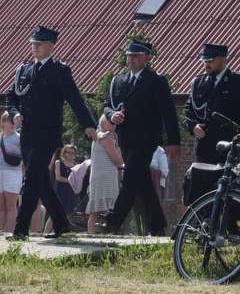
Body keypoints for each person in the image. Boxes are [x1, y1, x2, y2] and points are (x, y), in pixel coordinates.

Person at [5, 25, 97, 240]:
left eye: (39, 44)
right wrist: (14, 113)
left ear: (50, 46)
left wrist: (88, 124)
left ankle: (20, 229)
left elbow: (75, 98)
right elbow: (11, 97)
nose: (34, 48)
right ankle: (62, 224)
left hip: (46, 135)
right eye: (33, 44)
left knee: (30, 180)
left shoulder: (59, 70)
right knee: (42, 182)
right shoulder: (24, 70)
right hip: (28, 134)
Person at [101, 38, 181, 236]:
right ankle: (158, 227)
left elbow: (169, 113)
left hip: (146, 140)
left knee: (129, 179)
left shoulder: (155, 81)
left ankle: (113, 221)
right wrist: (113, 115)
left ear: (146, 58)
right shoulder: (118, 81)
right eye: (129, 56)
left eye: (136, 56)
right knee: (143, 182)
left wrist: (174, 141)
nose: (131, 59)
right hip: (126, 139)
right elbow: (107, 105)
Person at [182, 43, 240, 202]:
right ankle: (205, 225)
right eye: (205, 61)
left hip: (230, 150)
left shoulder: (236, 82)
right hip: (205, 149)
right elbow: (188, 112)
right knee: (202, 196)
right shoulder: (199, 82)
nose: (207, 64)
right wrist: (193, 126)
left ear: (224, 59)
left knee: (229, 198)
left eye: (211, 61)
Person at [87, 115, 123, 233]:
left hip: (100, 176)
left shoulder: (98, 136)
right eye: (112, 123)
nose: (115, 126)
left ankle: (96, 234)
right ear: (103, 124)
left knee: (98, 210)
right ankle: (96, 235)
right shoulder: (106, 137)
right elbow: (118, 160)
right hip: (105, 177)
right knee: (99, 210)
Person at [0, 111, 23, 233]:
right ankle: (0, 232)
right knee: (1, 206)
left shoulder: (20, 138)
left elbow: (23, 157)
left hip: (13, 172)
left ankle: (10, 232)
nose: (13, 123)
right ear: (3, 123)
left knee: (11, 206)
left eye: (14, 121)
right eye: (10, 120)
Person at [45, 144, 78, 233]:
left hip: (71, 191)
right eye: (69, 152)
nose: (71, 154)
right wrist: (71, 181)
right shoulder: (58, 162)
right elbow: (58, 177)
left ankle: (61, 232)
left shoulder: (76, 166)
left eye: (73, 153)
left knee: (68, 213)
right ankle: (45, 232)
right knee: (55, 213)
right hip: (60, 189)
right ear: (64, 153)